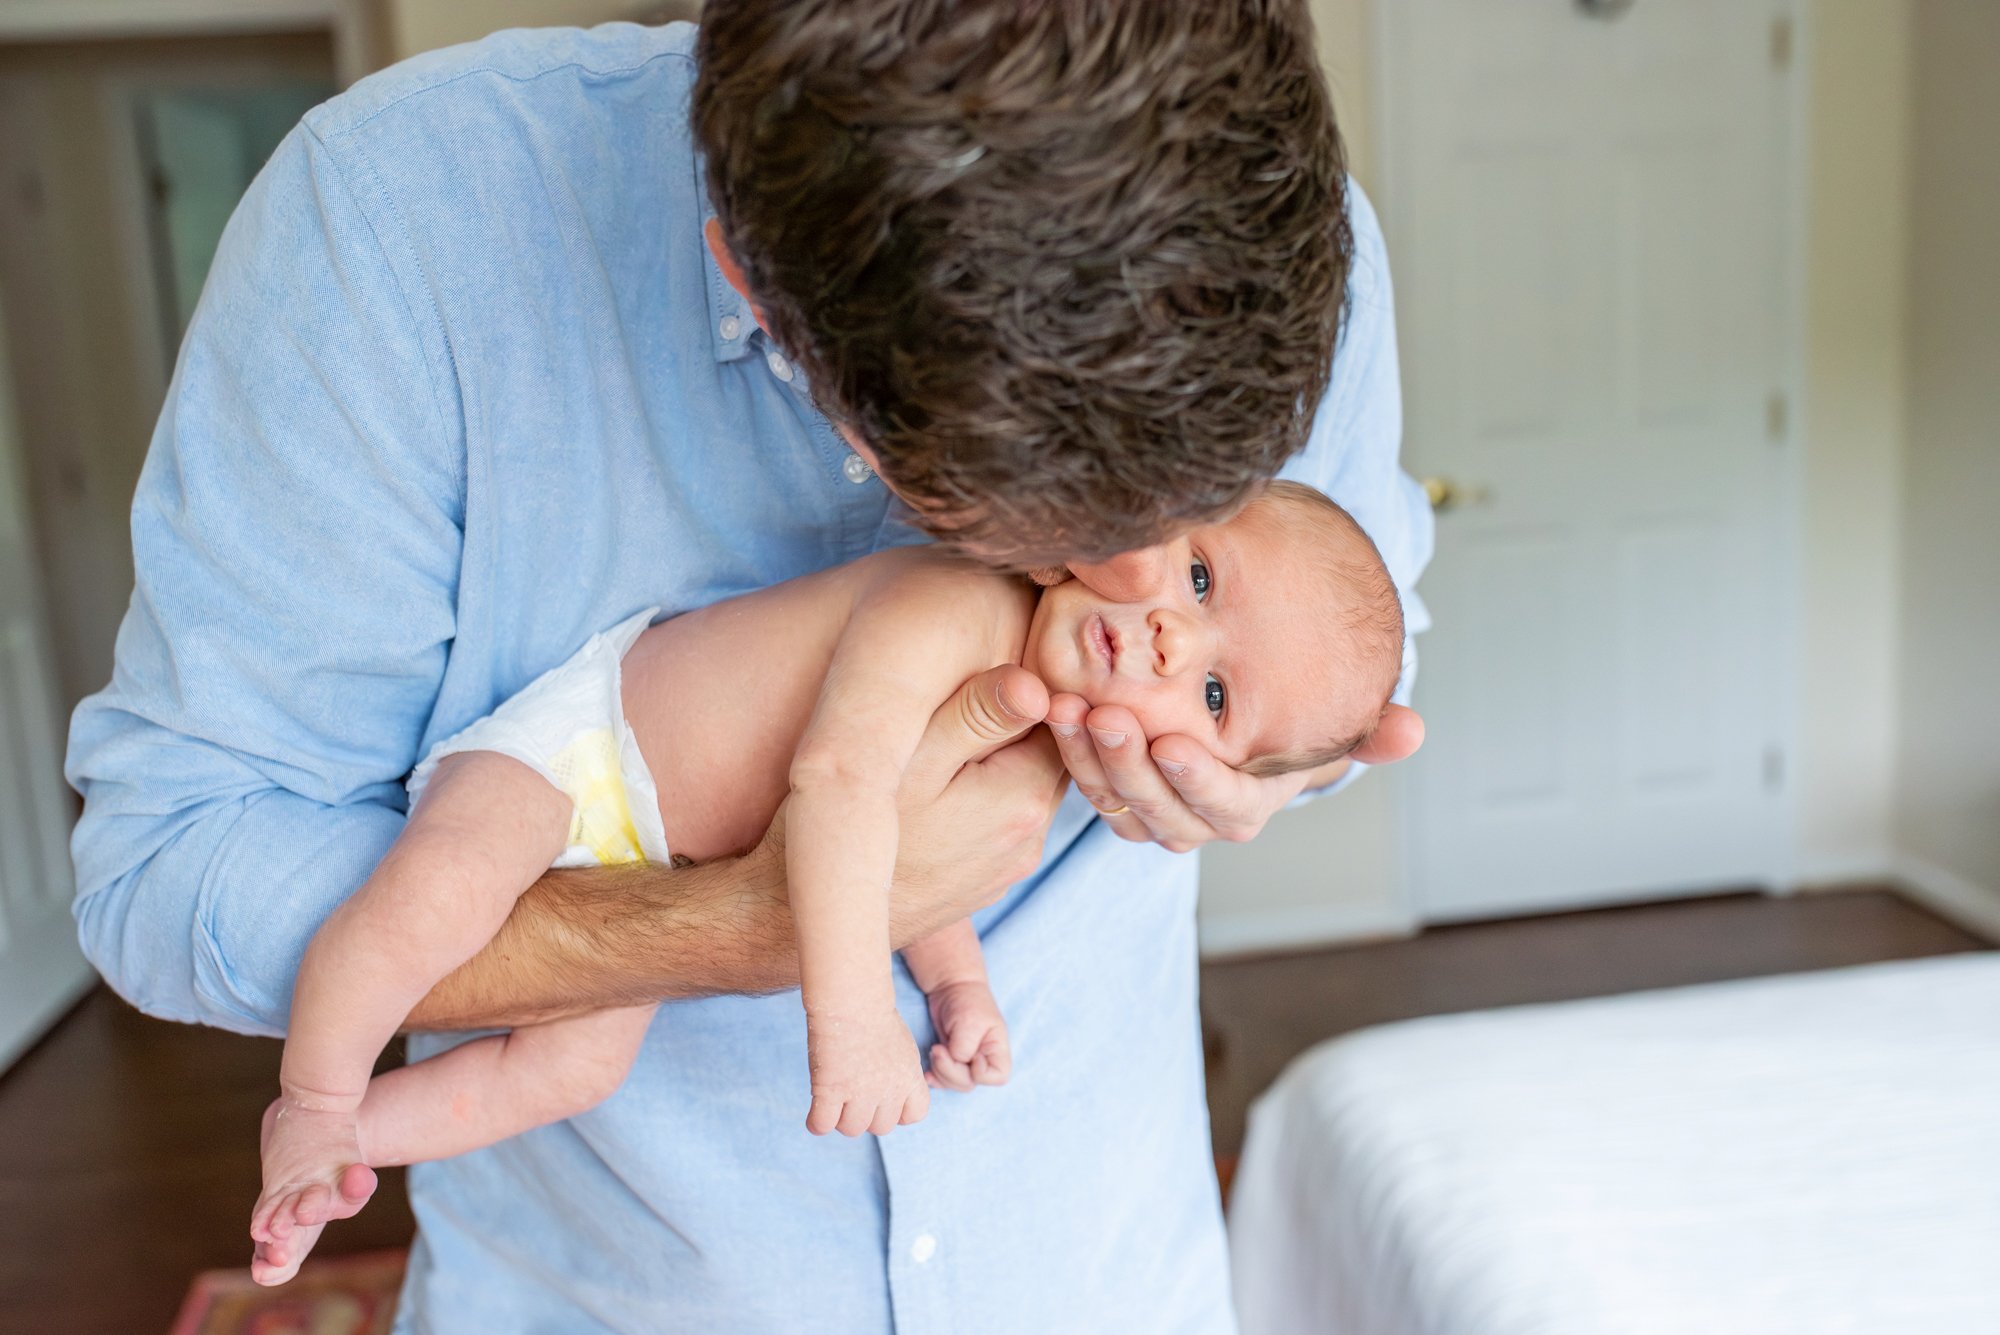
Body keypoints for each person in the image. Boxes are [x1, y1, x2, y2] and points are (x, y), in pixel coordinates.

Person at [67, 6, 1432, 1329]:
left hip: (1111, 1281)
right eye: (1078, 531)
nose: (1143, 595)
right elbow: (168, 868)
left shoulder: (1288, 256)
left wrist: (1250, 773)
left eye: (1195, 528)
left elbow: (1339, 664)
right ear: (759, 297)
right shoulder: (398, 227)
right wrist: (729, 930)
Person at [248, 481, 1405, 1286]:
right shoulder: (954, 599)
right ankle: (312, 1095)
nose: (1169, 642)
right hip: (578, 754)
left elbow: (906, 864)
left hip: (650, 858)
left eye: (1212, 696)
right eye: (1199, 578)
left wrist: (957, 992)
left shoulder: (1044, 737)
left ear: (1217, 767)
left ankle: (344, 1150)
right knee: (437, 898)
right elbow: (841, 784)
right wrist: (852, 1024)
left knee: (570, 1070)